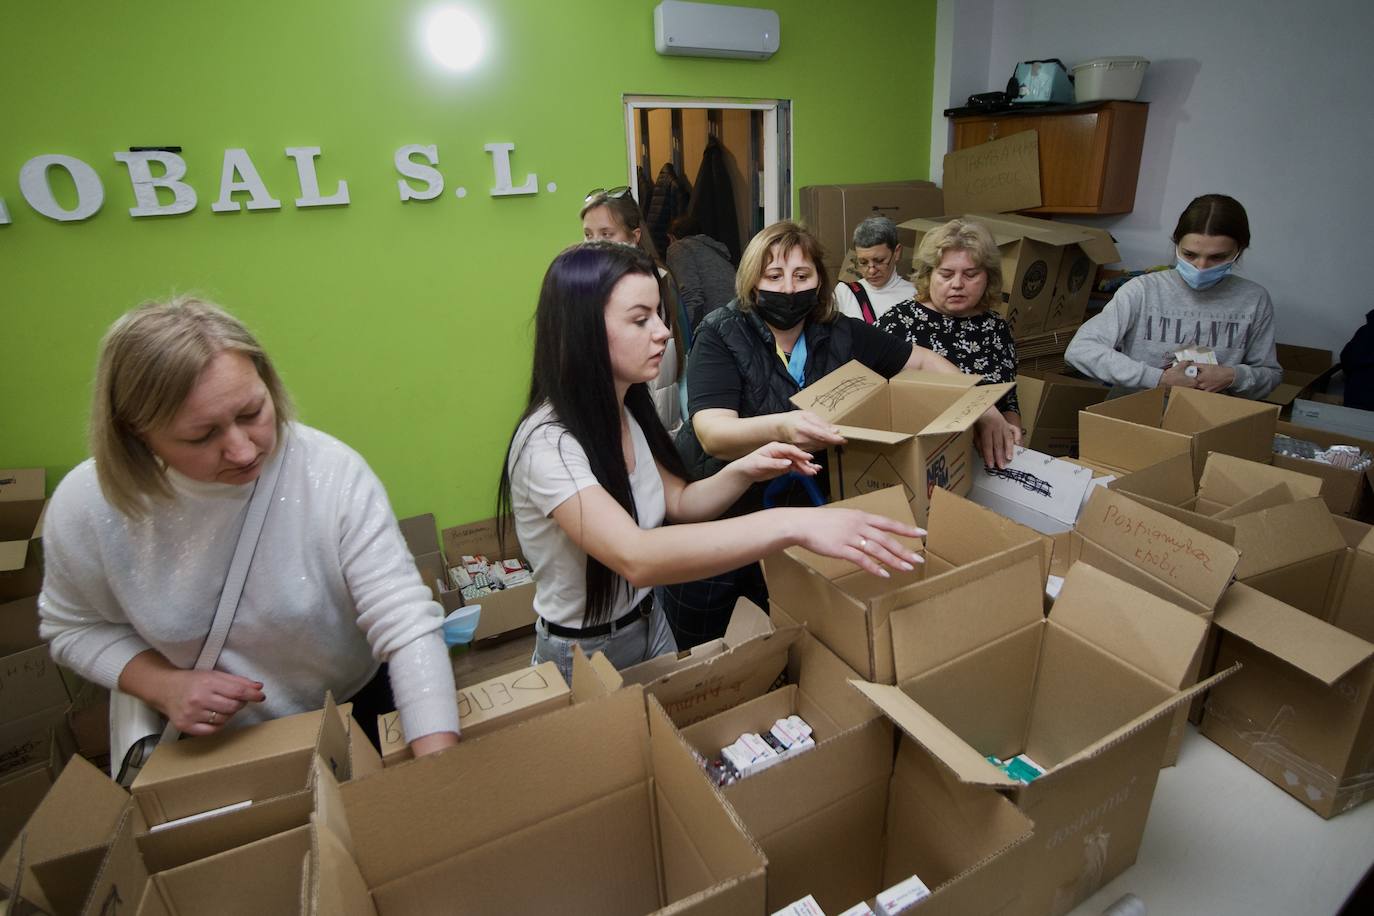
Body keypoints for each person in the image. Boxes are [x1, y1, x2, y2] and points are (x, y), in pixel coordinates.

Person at [39, 298, 459, 761]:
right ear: (136, 433)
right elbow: (72, 627)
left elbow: (404, 620)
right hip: (219, 747)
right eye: (202, 436)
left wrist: (437, 765)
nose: (242, 451)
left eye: (252, 413)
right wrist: (163, 686)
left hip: (355, 704)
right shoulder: (89, 504)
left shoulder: (330, 472)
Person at [498, 242, 923, 682]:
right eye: (641, 320)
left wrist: (746, 468)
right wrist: (795, 525)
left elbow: (681, 502)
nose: (664, 332)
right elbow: (636, 555)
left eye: (659, 316)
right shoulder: (548, 445)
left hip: (650, 622)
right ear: (580, 330)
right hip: (582, 652)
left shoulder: (626, 411)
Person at [666, 220, 1018, 647]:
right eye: (774, 276)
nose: (789, 288)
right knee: (708, 642)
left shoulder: (836, 331)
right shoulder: (722, 332)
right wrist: (783, 427)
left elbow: (923, 364)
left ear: (820, 281)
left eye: (802, 275)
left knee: (785, 632)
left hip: (800, 513)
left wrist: (983, 408)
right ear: (752, 280)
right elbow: (712, 432)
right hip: (723, 513)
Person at [1065, 194, 1282, 399]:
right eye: (1190, 254)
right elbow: (1080, 350)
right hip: (1134, 415)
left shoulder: (1254, 300)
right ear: (1176, 244)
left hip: (1208, 421)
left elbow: (1271, 376)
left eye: (1217, 257)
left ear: (1239, 251)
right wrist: (1158, 379)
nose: (1201, 266)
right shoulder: (1142, 290)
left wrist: (1234, 376)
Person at [878, 218, 1022, 448]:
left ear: (988, 277)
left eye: (971, 274)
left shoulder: (996, 328)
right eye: (946, 274)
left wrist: (1013, 433)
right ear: (929, 275)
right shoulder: (898, 322)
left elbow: (1008, 400)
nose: (957, 284)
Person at [582, 187, 687, 431]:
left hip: (659, 422)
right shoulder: (582, 292)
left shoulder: (661, 281)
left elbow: (685, 350)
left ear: (633, 237)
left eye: (607, 234)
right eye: (588, 235)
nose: (595, 244)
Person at [833, 216, 915, 325]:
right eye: (863, 262)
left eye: (879, 261)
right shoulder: (845, 293)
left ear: (897, 252)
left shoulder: (916, 294)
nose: (871, 271)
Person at [666, 214, 737, 334]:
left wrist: (684, 337)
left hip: (713, 326)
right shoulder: (714, 251)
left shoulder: (678, 248)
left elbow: (691, 296)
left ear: (672, 237)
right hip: (734, 320)